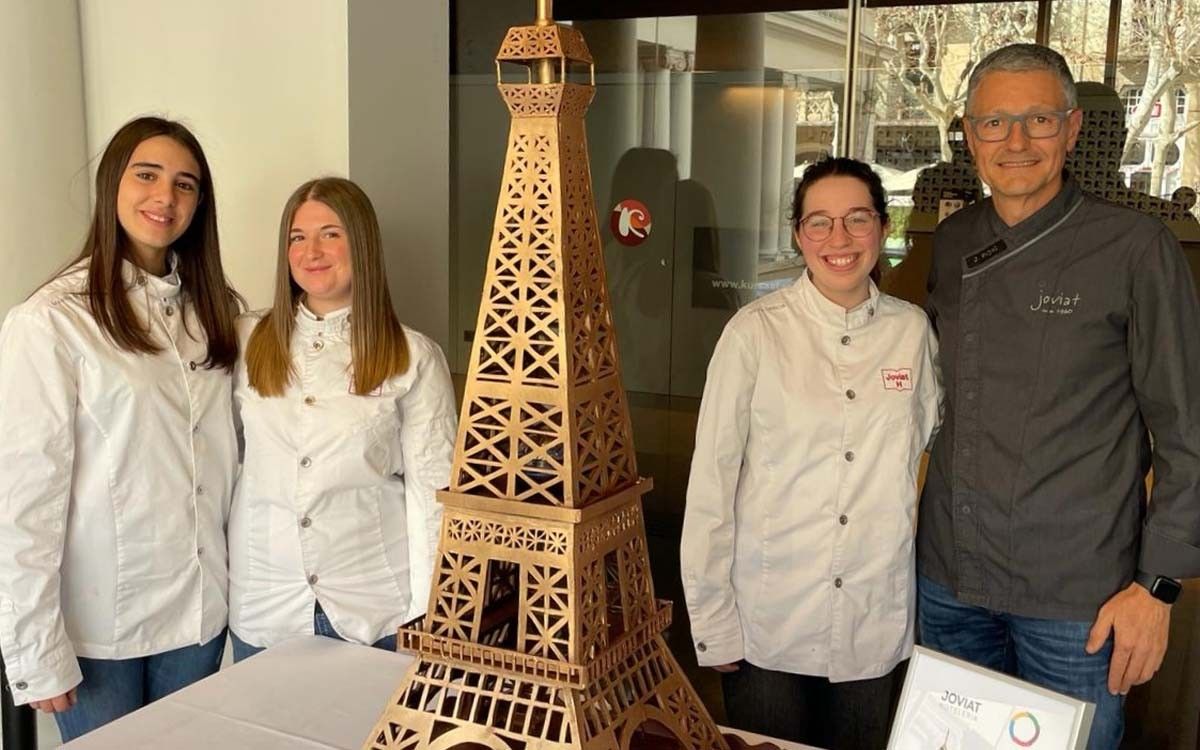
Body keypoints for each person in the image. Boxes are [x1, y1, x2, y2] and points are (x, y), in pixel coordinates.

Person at [919, 43, 1200, 750]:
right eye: (994, 123)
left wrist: (1158, 587)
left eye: (1039, 120)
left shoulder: (1135, 247)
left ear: (1072, 130)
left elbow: (1188, 431)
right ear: (968, 133)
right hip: (948, 582)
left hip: (1079, 600)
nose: (1015, 143)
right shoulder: (952, 241)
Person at [681, 157, 942, 749]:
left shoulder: (912, 332)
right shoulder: (754, 333)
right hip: (768, 621)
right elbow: (712, 487)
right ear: (799, 235)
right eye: (819, 222)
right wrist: (713, 622)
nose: (840, 239)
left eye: (857, 218)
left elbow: (927, 451)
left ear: (883, 226)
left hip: (875, 621)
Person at [0, 116, 241, 740]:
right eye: (147, 175)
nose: (165, 197)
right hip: (99, 625)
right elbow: (24, 495)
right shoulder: (52, 320)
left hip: (198, 611)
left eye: (185, 184)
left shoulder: (216, 315)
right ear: (113, 184)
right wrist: (33, 648)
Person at [228, 177, 456, 661]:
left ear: (362, 243)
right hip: (266, 602)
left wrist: (431, 613)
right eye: (297, 237)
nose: (312, 251)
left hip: (373, 606)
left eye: (330, 233)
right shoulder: (245, 341)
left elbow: (432, 499)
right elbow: (220, 464)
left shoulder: (413, 357)